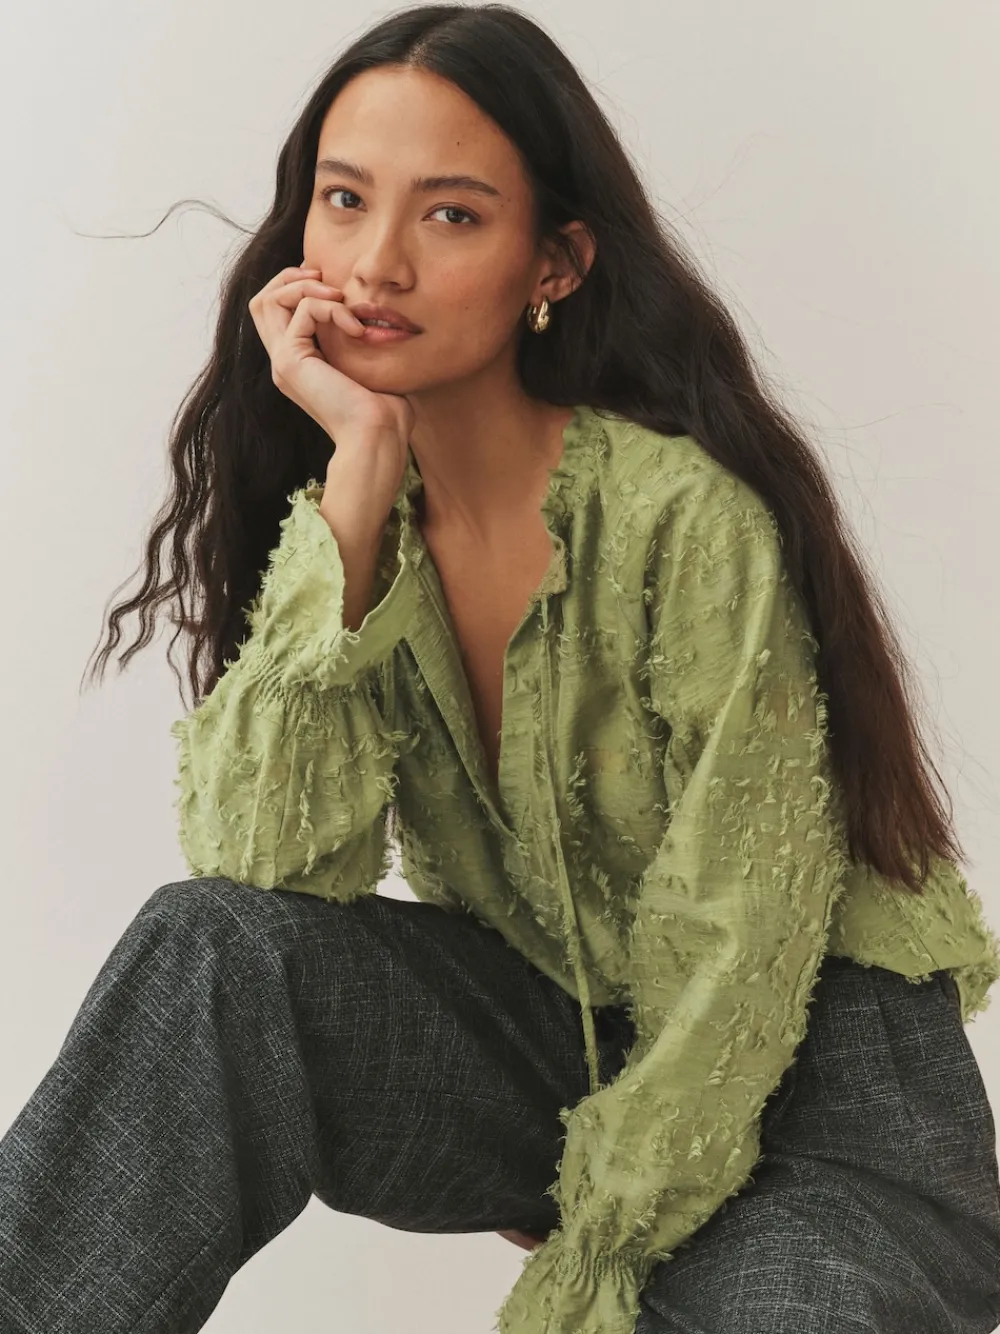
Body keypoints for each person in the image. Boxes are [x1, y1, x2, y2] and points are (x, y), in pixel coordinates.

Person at [3, 6, 1000, 1333]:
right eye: (344, 200)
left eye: (452, 216)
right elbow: (262, 863)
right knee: (212, 946)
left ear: (556, 263)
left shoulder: (681, 521)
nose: (376, 264)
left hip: (826, 1114)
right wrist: (358, 479)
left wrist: (600, 1237)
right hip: (573, 1051)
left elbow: (738, 940)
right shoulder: (361, 522)